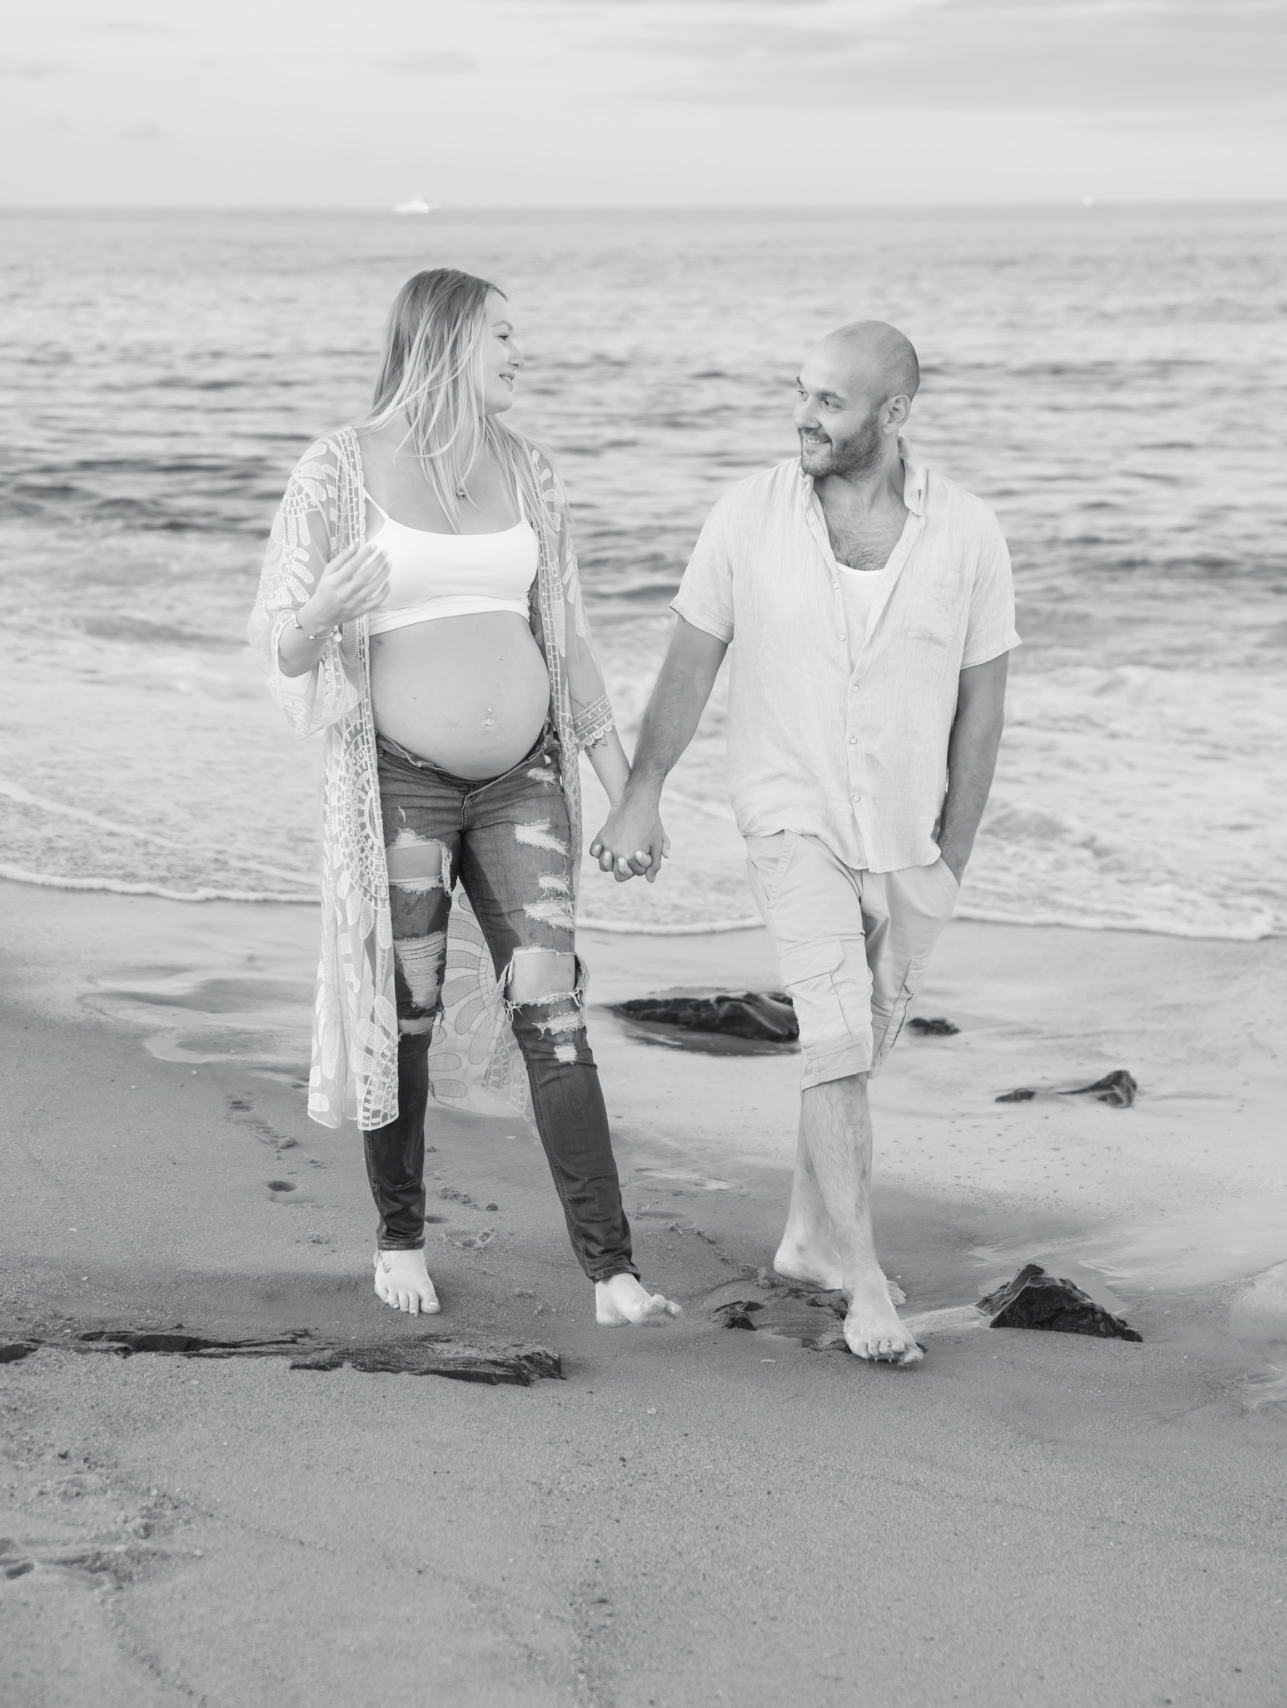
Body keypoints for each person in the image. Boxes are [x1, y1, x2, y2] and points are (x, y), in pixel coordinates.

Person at [249, 267, 680, 1328]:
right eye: (503, 335)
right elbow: (283, 649)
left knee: (554, 1010)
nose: (519, 353)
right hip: (402, 785)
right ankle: (399, 1238)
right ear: (445, 340)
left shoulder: (528, 470)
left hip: (523, 781)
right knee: (405, 1011)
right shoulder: (339, 469)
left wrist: (628, 794)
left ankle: (613, 1273)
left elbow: (568, 640)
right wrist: (323, 612)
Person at [590, 318, 1018, 1366]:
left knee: (853, 1049)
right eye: (801, 392)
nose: (804, 416)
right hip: (790, 818)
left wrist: (953, 859)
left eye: (830, 400)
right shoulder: (749, 515)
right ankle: (862, 1282)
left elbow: (983, 708)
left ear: (894, 412)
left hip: (908, 836)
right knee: (832, 1035)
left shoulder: (969, 534)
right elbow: (690, 664)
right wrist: (642, 795)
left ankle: (807, 1240)